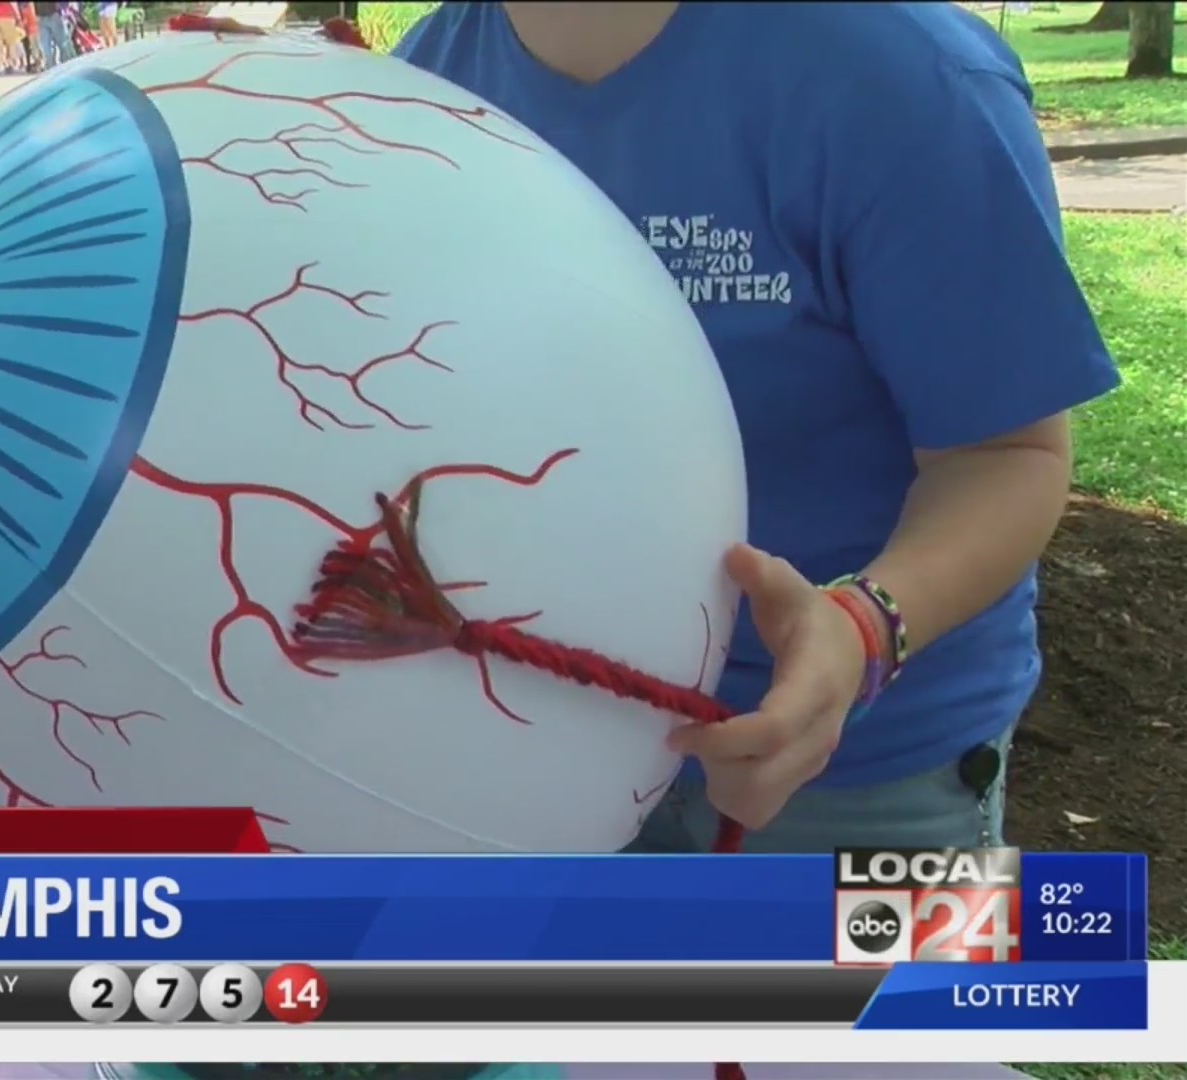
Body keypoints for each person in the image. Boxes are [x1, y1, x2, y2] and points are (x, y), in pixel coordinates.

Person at [393, 3, 1119, 854]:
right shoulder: (422, 81)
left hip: (858, 777)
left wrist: (859, 631)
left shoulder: (902, 79)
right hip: (520, 726)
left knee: (881, 998)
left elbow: (1007, 454)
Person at [32, 0, 67, 69]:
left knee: (61, 43)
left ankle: (65, 63)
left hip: (53, 15)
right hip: (42, 18)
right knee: (46, 45)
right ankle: (50, 66)